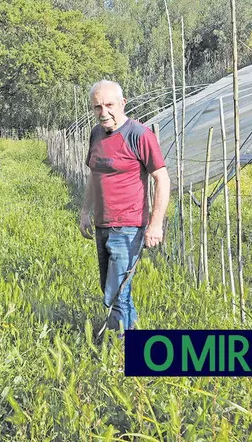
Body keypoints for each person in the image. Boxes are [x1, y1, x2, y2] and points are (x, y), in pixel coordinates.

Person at [79, 80, 170, 340]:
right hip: (102, 224)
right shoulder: (96, 134)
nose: (103, 112)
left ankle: (117, 349)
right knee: (115, 289)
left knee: (115, 293)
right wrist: (86, 211)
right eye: (97, 107)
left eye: (109, 105)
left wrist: (155, 224)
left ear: (123, 103)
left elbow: (162, 179)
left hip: (129, 226)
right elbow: (92, 176)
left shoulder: (139, 135)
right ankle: (131, 339)